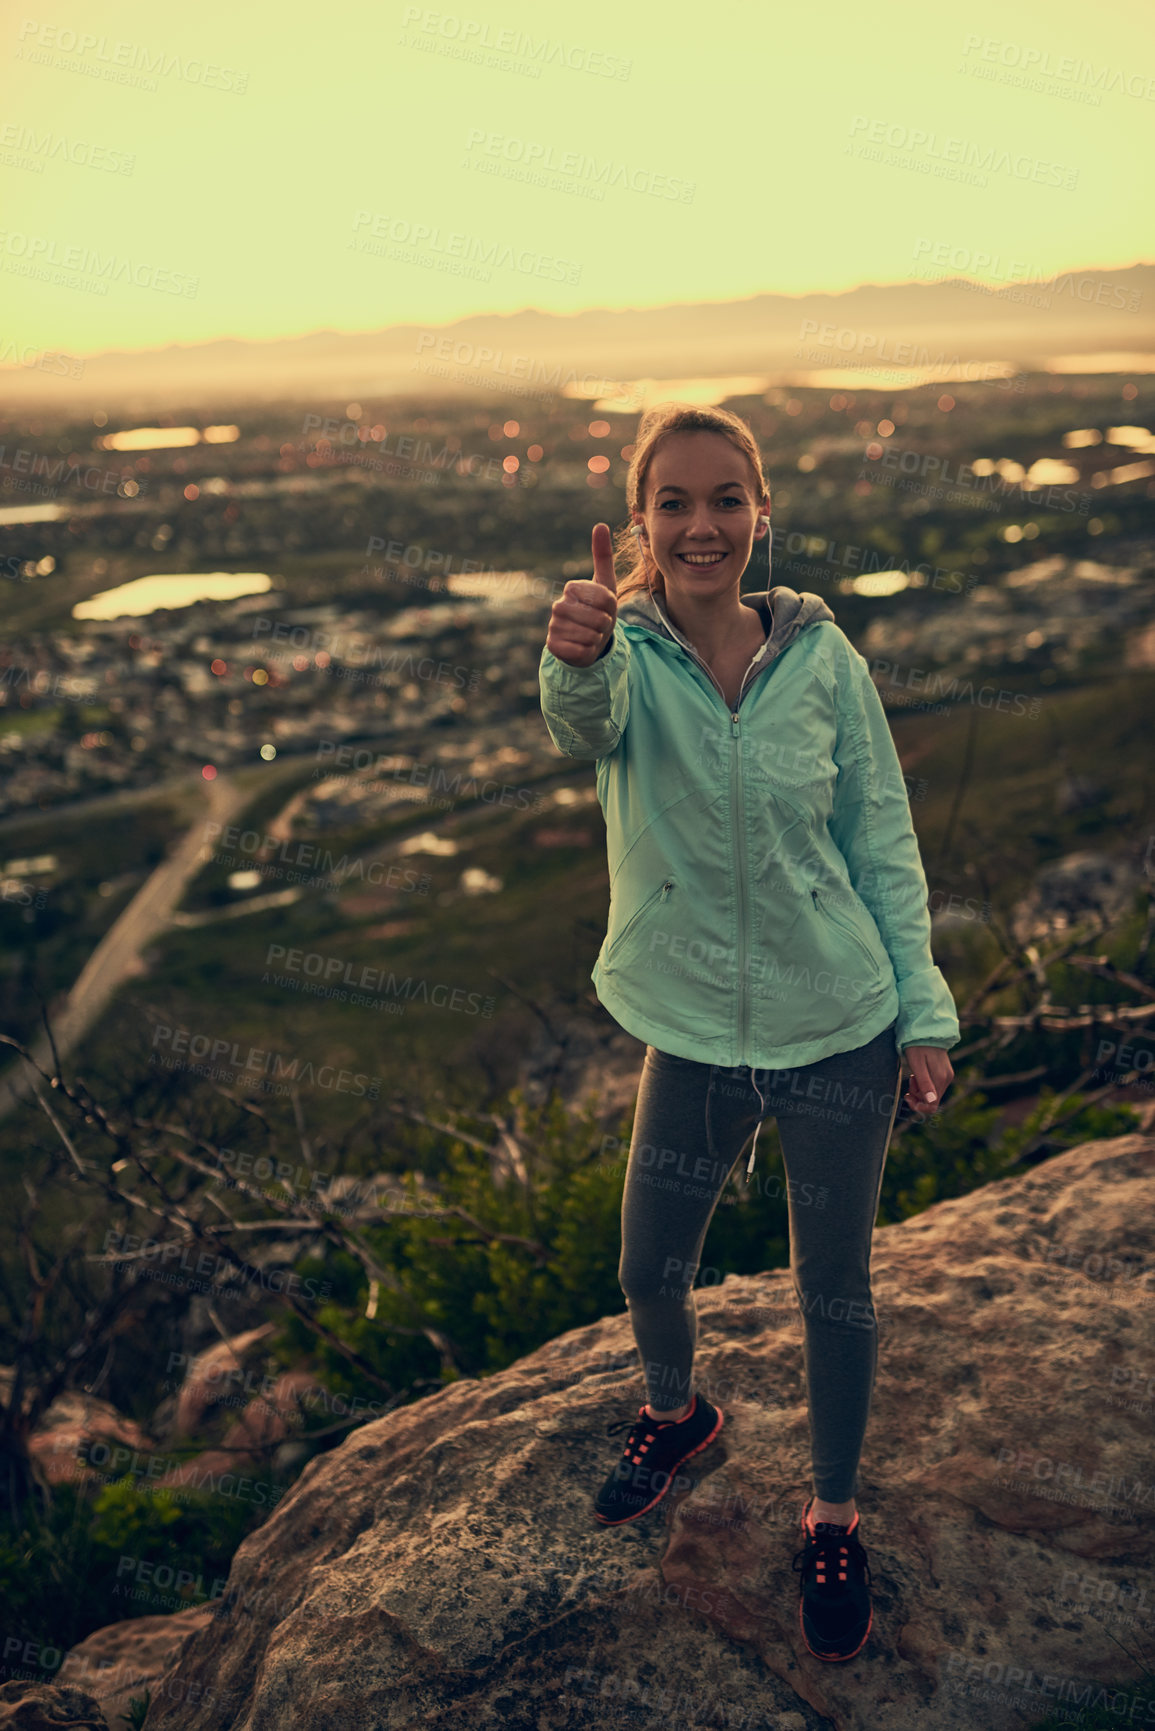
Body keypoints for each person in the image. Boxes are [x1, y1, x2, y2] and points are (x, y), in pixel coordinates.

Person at [537, 402, 959, 1664]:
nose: (703, 523)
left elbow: (881, 844)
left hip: (839, 1024)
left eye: (727, 499)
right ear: (643, 526)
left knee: (837, 1291)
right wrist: (571, 654)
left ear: (762, 513)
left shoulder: (828, 664)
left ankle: (831, 1515)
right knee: (648, 1268)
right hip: (697, 1032)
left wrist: (922, 1016)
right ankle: (678, 1416)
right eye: (675, 503)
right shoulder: (620, 654)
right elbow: (581, 729)